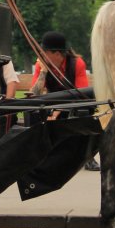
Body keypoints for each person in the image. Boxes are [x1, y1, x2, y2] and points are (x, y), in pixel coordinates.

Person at [30, 31, 98, 170]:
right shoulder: (41, 65)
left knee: (85, 111)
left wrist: (58, 110)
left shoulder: (77, 63)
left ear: (57, 54)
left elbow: (81, 95)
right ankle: (39, 155)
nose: (41, 55)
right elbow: (34, 94)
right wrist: (43, 72)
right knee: (32, 111)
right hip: (51, 104)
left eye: (45, 52)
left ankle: (88, 156)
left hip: (74, 103)